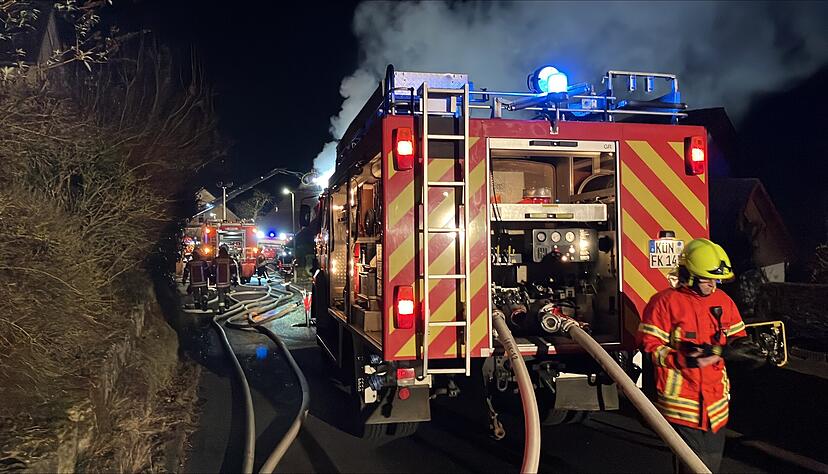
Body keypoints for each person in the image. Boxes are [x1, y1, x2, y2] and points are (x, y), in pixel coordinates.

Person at [638, 238, 747, 473]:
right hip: (683, 404)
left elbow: (738, 337)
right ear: (688, 275)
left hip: (716, 405)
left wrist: (744, 349)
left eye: (716, 279)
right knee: (696, 467)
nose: (713, 285)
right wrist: (684, 359)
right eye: (707, 279)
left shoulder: (724, 301)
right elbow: (650, 348)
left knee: (711, 466)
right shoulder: (664, 303)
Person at [211, 246, 236, 313]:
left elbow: (213, 269)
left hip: (219, 280)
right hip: (227, 280)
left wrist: (212, 278)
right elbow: (233, 269)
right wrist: (234, 278)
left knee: (220, 293)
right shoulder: (229, 259)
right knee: (227, 291)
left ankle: (221, 309)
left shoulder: (216, 260)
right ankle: (227, 299)